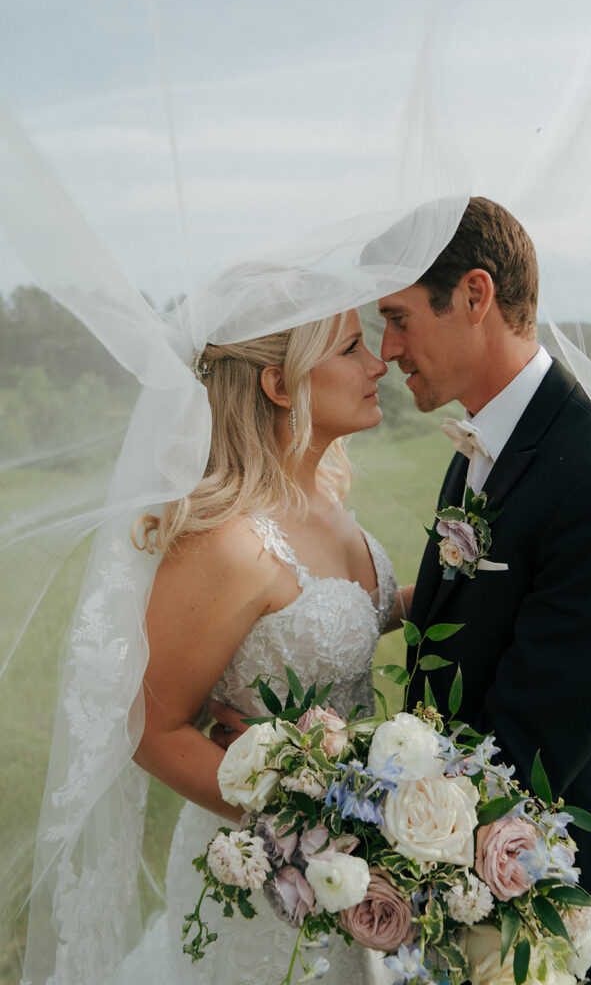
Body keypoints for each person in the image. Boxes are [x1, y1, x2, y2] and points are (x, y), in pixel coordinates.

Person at [375, 196, 591, 985]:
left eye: (400, 317)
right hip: (465, 885)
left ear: (474, 296)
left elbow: (535, 733)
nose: (388, 348)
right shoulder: (480, 439)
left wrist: (353, 803)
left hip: (565, 905)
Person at [113, 306, 407, 985]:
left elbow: (344, 621)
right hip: (269, 878)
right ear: (280, 385)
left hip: (360, 853)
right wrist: (299, 824)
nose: (377, 364)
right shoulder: (228, 543)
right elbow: (148, 727)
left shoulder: (323, 497)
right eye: (351, 348)